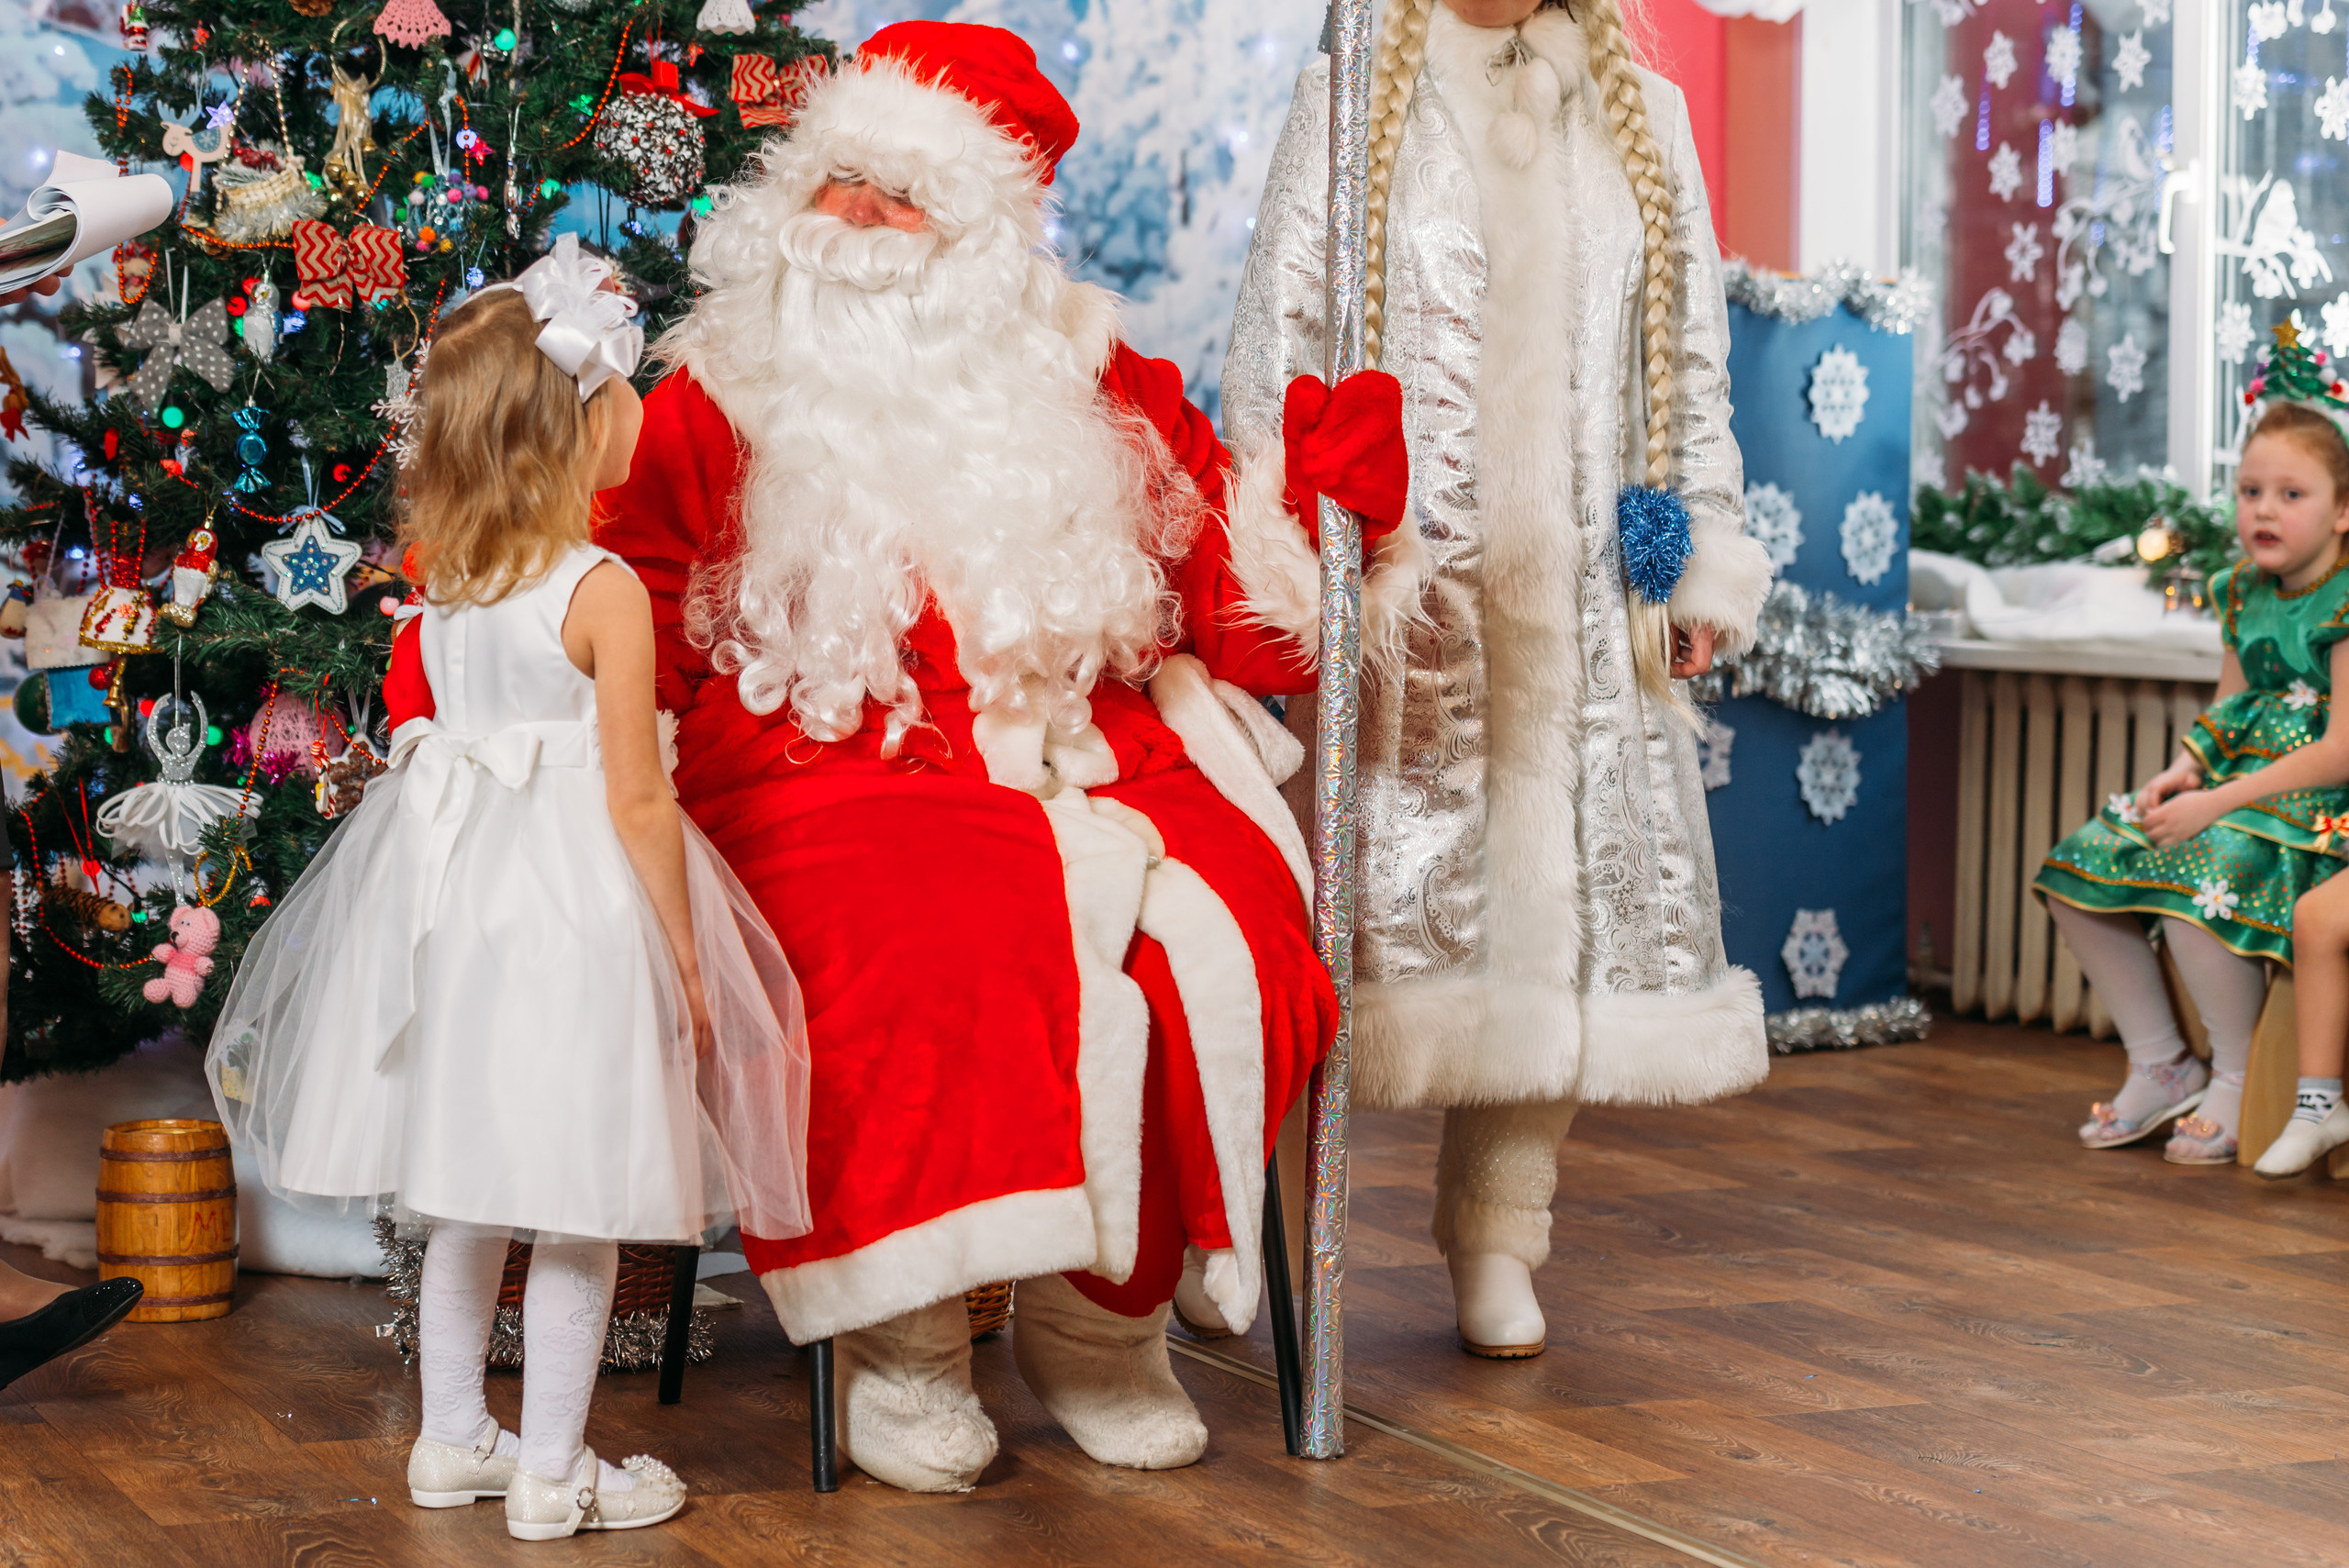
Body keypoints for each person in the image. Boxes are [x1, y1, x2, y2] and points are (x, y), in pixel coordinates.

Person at [599, 21, 1413, 1491]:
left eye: (900, 196)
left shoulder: (1091, 373)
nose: (851, 219)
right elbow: (598, 592)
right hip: (814, 761)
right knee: (934, 934)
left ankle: (1098, 1333)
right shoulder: (711, 387)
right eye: (837, 179)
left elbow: (1263, 632)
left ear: (985, 234)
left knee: (1236, 924)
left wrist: (1341, 520)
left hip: (1093, 749)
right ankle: (901, 1340)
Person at [205, 238, 811, 1540]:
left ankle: (449, 1440)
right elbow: (642, 800)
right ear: (578, 429)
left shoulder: (443, 601)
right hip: (574, 919)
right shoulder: (603, 594)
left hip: (460, 921)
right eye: (628, 388)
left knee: (472, 1185)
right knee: (583, 1194)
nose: (645, 404)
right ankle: (551, 1467)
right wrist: (691, 962)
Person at [1221, 0, 1773, 1358]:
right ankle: (1249, 1224)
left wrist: (1698, 552)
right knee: (1347, 934)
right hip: (1422, 603)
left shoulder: (1649, 112)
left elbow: (1690, 361)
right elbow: (1273, 337)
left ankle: (1498, 1230)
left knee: (1563, 930)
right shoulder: (1355, 93)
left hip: (1587, 598)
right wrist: (1298, 566)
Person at [2041, 329, 2349, 1168]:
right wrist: (2186, 771)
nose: (2264, 511)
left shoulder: (2345, 600)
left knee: (2196, 857)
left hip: (2313, 816)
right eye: (2251, 491)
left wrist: (2216, 803)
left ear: (2344, 509)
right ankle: (2161, 1061)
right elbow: (2229, 703)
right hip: (2235, 790)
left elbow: (2339, 752)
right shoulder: (2242, 590)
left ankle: (2240, 1078)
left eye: (2292, 493)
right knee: (2082, 864)